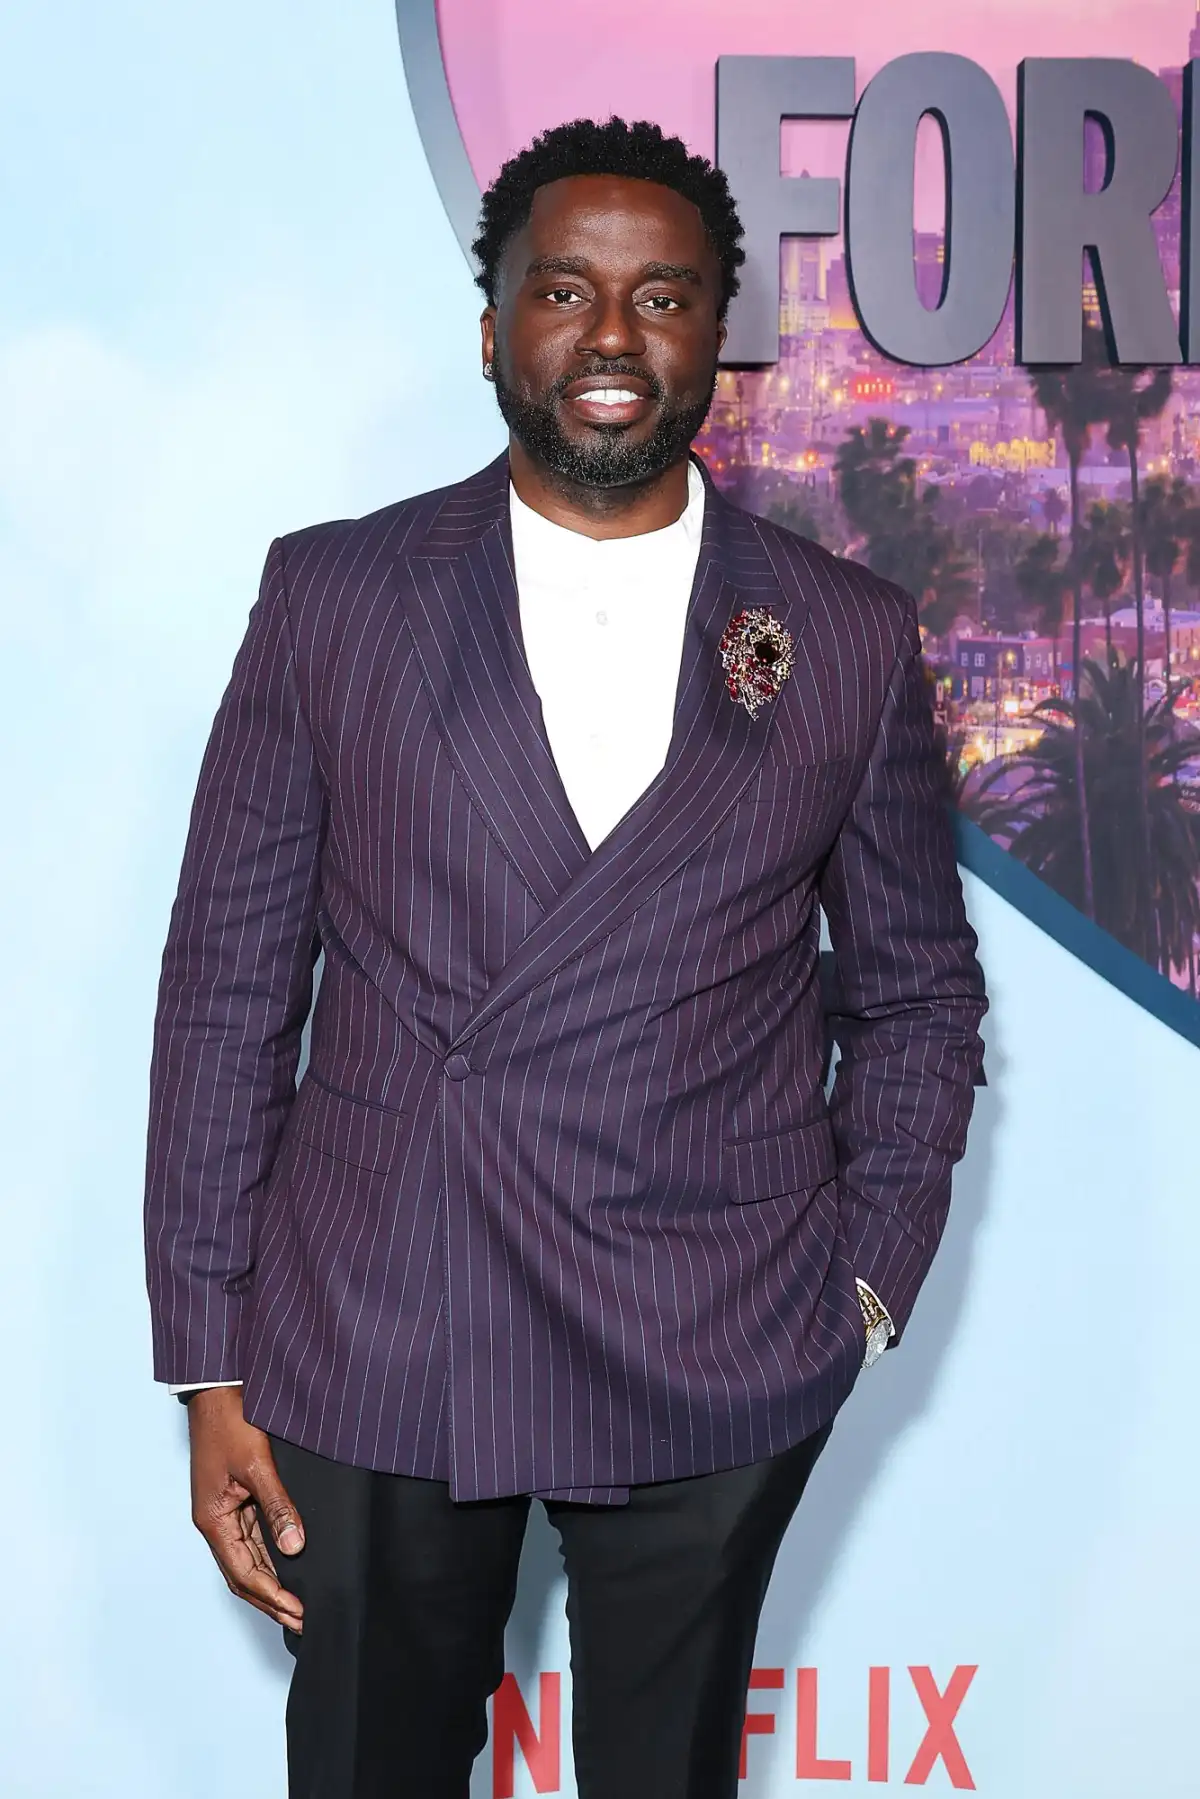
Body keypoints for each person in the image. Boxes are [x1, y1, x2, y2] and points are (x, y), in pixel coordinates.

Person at [145, 116, 987, 1799]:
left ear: (718, 337)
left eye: (661, 295)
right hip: (384, 1312)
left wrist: (863, 1284)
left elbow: (916, 992)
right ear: (492, 328)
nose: (612, 334)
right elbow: (227, 991)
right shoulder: (334, 596)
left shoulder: (840, 633)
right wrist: (208, 1357)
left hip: (713, 1322)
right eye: (564, 291)